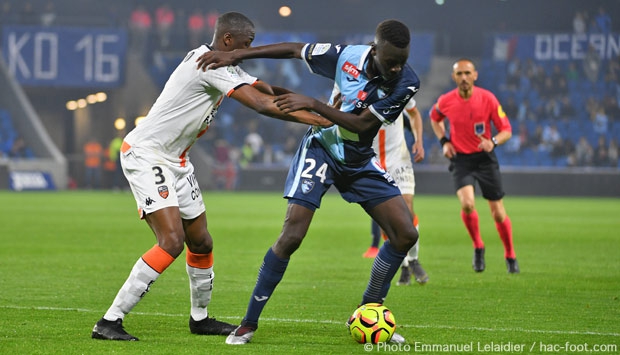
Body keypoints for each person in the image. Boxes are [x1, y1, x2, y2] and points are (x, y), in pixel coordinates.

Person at [91, 12, 331, 342]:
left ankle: (199, 319)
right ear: (228, 40)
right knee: (172, 241)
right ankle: (109, 321)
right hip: (147, 153)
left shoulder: (227, 66)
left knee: (201, 241)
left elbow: (267, 89)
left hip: (176, 160)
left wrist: (319, 107)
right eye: (247, 44)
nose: (249, 49)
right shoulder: (208, 64)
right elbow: (261, 104)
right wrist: (324, 121)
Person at [197, 19, 420, 345]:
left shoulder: (407, 83)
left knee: (405, 234)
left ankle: (369, 310)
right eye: (390, 62)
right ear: (375, 51)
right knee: (292, 235)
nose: (396, 68)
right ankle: (248, 323)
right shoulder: (346, 56)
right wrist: (236, 57)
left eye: (401, 61)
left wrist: (313, 103)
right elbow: (293, 49)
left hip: (358, 159)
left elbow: (360, 124)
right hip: (322, 149)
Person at [429, 58, 519, 274]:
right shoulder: (446, 100)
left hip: (484, 158)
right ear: (453, 77)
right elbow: (434, 118)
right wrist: (444, 141)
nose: (463, 78)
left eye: (467, 73)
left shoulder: (487, 99)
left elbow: (506, 129)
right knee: (467, 204)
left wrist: (493, 142)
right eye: (459, 74)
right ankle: (478, 246)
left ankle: (510, 255)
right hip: (461, 160)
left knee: (497, 213)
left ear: (475, 75)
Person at [363, 98, 428, 286]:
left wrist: (419, 141)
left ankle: (414, 259)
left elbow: (414, 114)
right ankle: (404, 265)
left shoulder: (400, 88)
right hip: (372, 162)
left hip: (399, 159)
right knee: (385, 219)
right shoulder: (361, 91)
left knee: (407, 210)